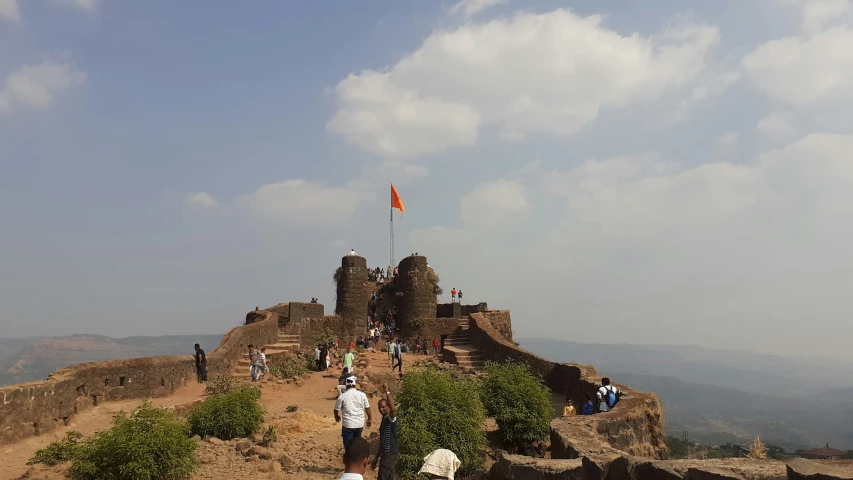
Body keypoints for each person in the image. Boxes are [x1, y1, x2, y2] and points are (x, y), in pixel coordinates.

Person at [334, 376, 372, 448]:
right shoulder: (362, 395)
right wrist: (370, 419)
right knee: (356, 445)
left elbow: (336, 409)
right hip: (359, 424)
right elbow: (368, 408)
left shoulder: (342, 396)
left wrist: (336, 416)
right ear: (355, 385)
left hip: (348, 425)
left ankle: (349, 456)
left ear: (346, 386)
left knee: (348, 446)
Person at [370, 383, 398, 480]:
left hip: (390, 453)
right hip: (386, 453)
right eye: (379, 407)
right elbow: (382, 443)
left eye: (383, 407)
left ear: (388, 406)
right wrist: (376, 459)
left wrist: (387, 392)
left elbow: (393, 409)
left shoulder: (390, 418)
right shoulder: (383, 420)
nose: (381, 409)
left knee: (382, 477)